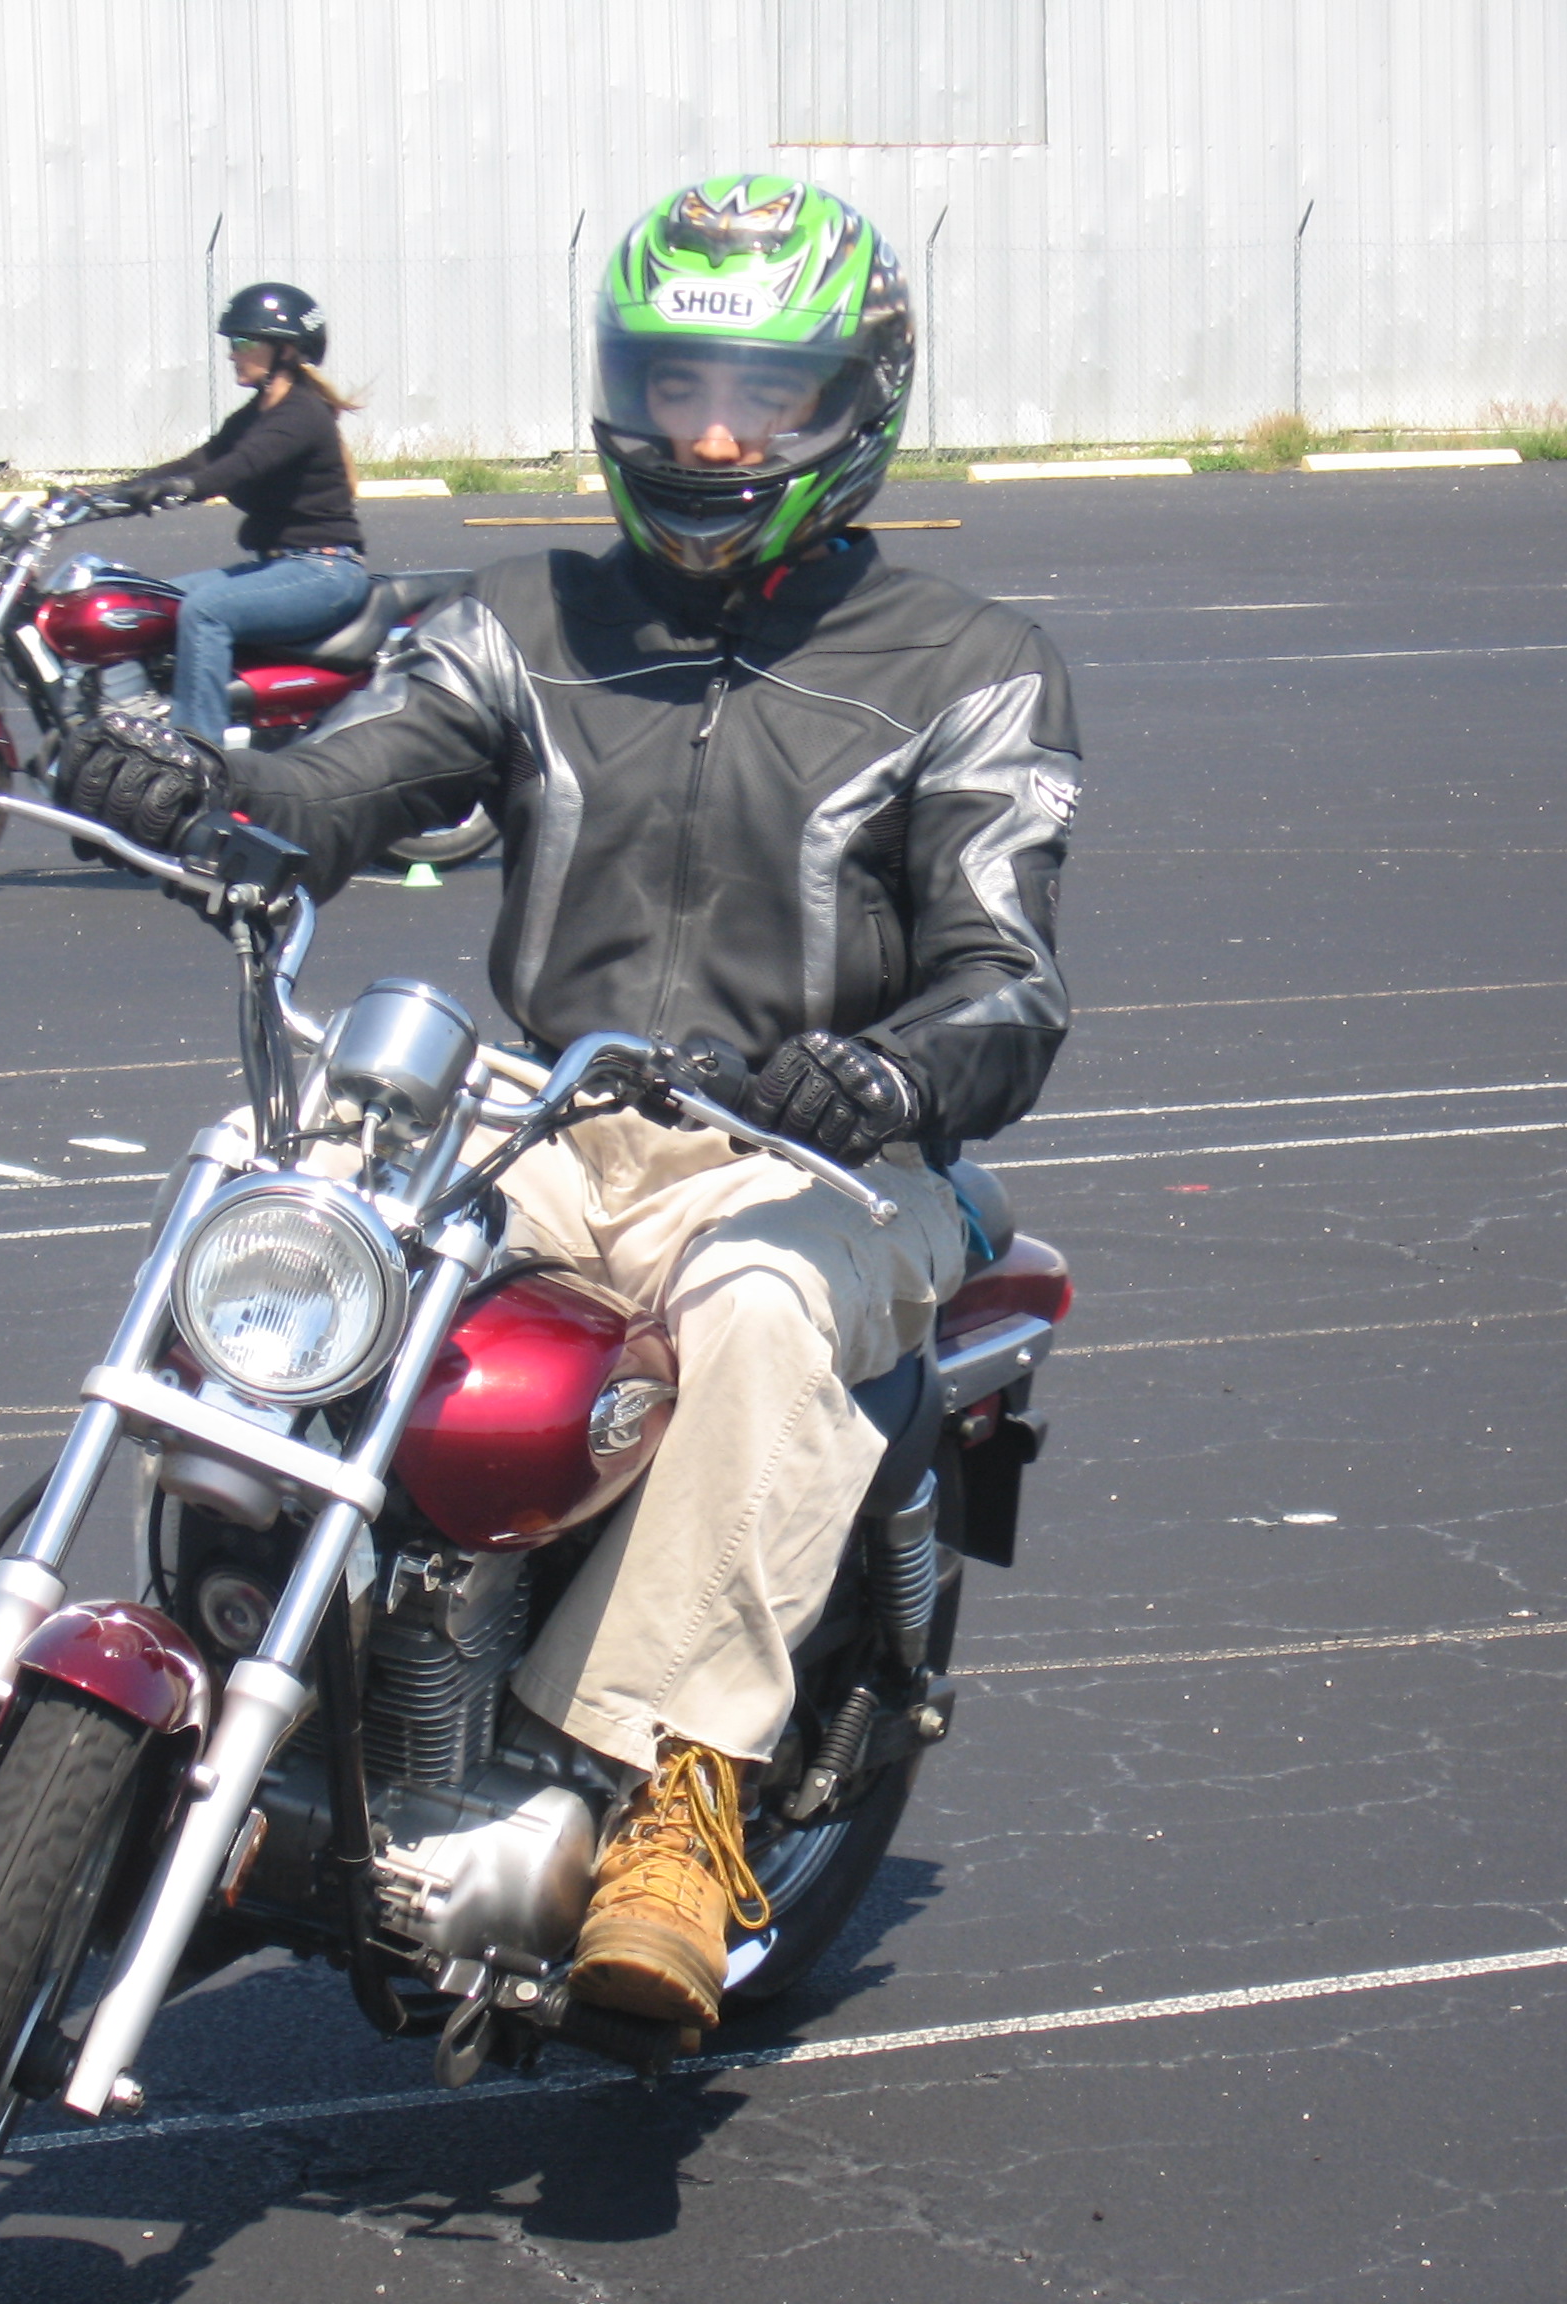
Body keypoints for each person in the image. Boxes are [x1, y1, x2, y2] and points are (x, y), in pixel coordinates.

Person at [174, 177, 1078, 2029]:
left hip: (822, 1153)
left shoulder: (970, 664)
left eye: (763, 396)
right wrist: (223, 796)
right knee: (276, 1192)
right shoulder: (524, 616)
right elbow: (361, 769)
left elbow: (1009, 972)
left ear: (854, 407)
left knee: (753, 1309)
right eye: (677, 389)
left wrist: (894, 1063)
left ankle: (677, 1790)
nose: (715, 437)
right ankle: (216, 1640)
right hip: (546, 1116)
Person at [104, 282, 371, 755]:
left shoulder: (301, 414)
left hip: (325, 572)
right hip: (279, 567)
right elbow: (203, 460)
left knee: (205, 611)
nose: (233, 353)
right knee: (152, 605)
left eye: (244, 342)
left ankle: (195, 757)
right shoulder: (258, 413)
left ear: (285, 350)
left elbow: (238, 467)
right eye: (232, 342)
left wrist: (184, 490)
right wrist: (112, 493)